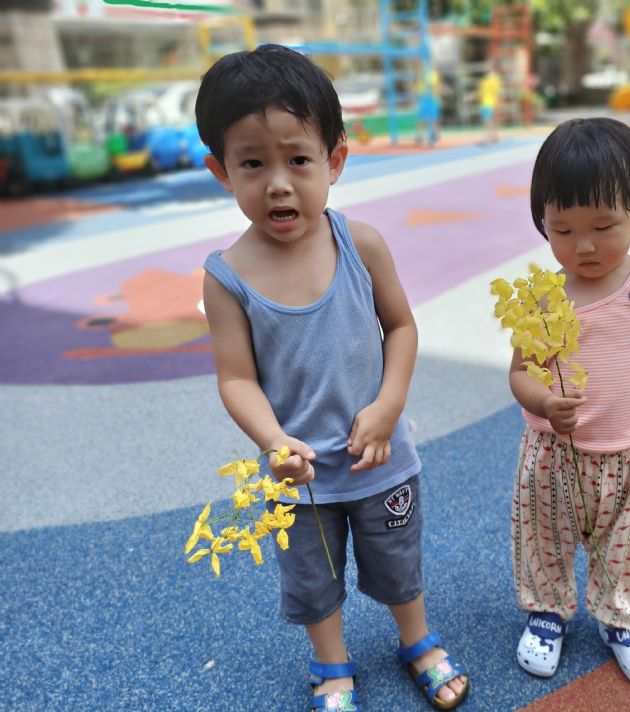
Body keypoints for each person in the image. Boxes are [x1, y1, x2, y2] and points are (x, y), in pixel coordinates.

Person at [195, 45, 469, 712]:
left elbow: (401, 327)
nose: (278, 184)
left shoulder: (361, 244)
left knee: (398, 562)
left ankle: (418, 642)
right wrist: (273, 443)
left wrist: (389, 404)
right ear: (220, 171)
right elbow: (236, 380)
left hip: (381, 459)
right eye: (252, 164)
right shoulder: (226, 277)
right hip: (300, 478)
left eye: (298, 159)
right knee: (312, 579)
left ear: (335, 160)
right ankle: (331, 665)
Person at [508, 118, 630, 685]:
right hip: (553, 455)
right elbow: (519, 373)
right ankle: (546, 612)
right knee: (544, 538)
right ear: (542, 220)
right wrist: (545, 402)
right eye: (563, 229)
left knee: (623, 545)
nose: (584, 245)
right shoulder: (541, 299)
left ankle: (620, 618)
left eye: (603, 225)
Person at [415, 66, 442, 147]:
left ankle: (434, 135)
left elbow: (437, 86)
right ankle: (419, 135)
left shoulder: (435, 74)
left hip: (432, 98)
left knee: (434, 117)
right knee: (423, 118)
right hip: (424, 97)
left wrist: (438, 97)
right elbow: (419, 86)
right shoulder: (422, 72)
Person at [478, 61, 502, 144]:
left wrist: (497, 103)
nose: (485, 67)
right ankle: (493, 136)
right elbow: (481, 92)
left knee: (487, 120)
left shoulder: (494, 78)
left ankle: (488, 137)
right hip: (485, 102)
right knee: (488, 120)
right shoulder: (486, 79)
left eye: (487, 66)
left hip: (490, 102)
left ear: (492, 67)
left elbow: (497, 92)